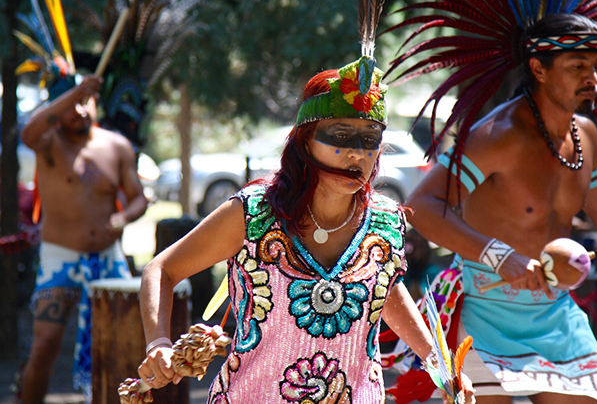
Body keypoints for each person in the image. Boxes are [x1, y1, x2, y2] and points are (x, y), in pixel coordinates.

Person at [136, 56, 475, 403]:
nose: (357, 153)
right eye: (340, 135)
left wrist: (439, 362)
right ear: (305, 140)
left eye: (370, 138)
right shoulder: (251, 214)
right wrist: (158, 343)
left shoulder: (386, 222)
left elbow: (385, 290)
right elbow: (161, 270)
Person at [403, 12, 597, 403]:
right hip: (483, 313)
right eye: (578, 66)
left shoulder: (587, 137)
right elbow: (421, 206)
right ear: (538, 69)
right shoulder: (497, 135)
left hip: (554, 313)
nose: (592, 79)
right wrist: (499, 256)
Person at [18, 74, 148, 403]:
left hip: (107, 256)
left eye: (84, 102)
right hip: (59, 257)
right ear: (57, 109)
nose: (79, 110)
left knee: (122, 346)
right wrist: (74, 92)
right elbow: (28, 132)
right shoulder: (48, 143)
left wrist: (123, 217)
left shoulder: (116, 145)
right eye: (70, 105)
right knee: (44, 347)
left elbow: (138, 198)